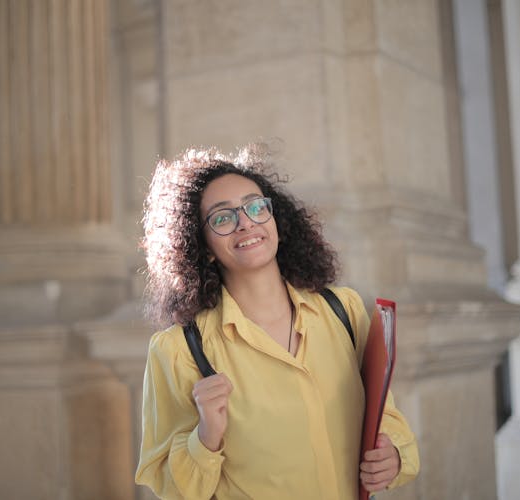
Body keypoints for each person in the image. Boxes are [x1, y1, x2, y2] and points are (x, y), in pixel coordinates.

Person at [135, 145, 419, 499]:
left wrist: (393, 456)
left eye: (256, 207)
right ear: (202, 245)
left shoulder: (343, 311)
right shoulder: (179, 351)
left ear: (276, 221)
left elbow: (384, 417)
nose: (246, 223)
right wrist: (205, 438)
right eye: (223, 218)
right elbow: (170, 488)